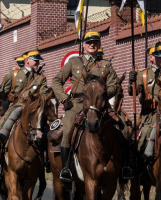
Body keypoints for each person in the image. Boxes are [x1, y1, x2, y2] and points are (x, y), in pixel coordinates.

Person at [51, 32, 119, 182]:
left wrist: (103, 93)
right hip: (77, 103)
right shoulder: (75, 62)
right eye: (89, 42)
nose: (92, 44)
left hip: (100, 105)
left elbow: (115, 85)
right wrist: (63, 99)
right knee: (68, 128)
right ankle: (65, 169)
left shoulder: (106, 64)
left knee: (122, 126)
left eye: (95, 42)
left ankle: (123, 166)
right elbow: (56, 81)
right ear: (84, 45)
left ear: (100, 44)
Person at [0, 50, 52, 176]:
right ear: (27, 61)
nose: (37, 63)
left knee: (47, 130)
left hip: (34, 108)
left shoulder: (41, 78)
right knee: (1, 127)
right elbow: (3, 91)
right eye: (35, 60)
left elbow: (45, 93)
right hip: (17, 106)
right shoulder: (14, 75)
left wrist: (39, 99)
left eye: (38, 61)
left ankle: (47, 161)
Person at [129, 41, 161, 161]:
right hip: (148, 115)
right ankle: (139, 167)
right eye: (158, 56)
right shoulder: (144, 74)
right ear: (151, 58)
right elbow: (133, 92)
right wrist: (131, 82)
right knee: (139, 140)